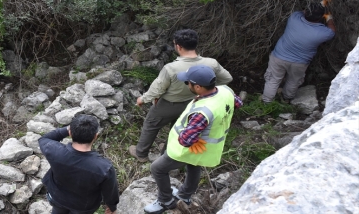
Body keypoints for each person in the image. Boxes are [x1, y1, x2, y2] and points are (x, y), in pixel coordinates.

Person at [143, 65, 242, 214]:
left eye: (187, 82)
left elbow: (186, 140)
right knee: (194, 165)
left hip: (186, 149)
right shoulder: (225, 90)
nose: (186, 84)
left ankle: (166, 200)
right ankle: (185, 195)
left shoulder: (203, 112)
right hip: (208, 147)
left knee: (157, 168)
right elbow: (238, 103)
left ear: (198, 87)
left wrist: (188, 131)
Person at [129, 29, 232, 163]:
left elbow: (157, 89)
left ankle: (141, 153)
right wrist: (205, 90)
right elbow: (227, 78)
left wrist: (142, 99)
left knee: (151, 124)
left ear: (178, 46)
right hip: (194, 104)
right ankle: (168, 155)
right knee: (178, 129)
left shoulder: (171, 68)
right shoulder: (211, 63)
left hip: (168, 105)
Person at [39, 115, 119, 214]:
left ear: (70, 133)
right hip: (83, 207)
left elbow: (43, 139)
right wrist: (112, 207)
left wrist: (67, 129)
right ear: (95, 136)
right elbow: (110, 192)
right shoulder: (104, 168)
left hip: (57, 198)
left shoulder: (54, 151)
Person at [262, 0, 336, 104]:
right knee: (294, 80)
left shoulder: (294, 18)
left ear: (305, 12)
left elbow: (303, 11)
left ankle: (266, 102)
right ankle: (286, 99)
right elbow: (332, 30)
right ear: (320, 18)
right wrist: (329, 17)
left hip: (279, 57)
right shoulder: (323, 33)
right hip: (299, 63)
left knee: (273, 80)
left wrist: (319, 4)